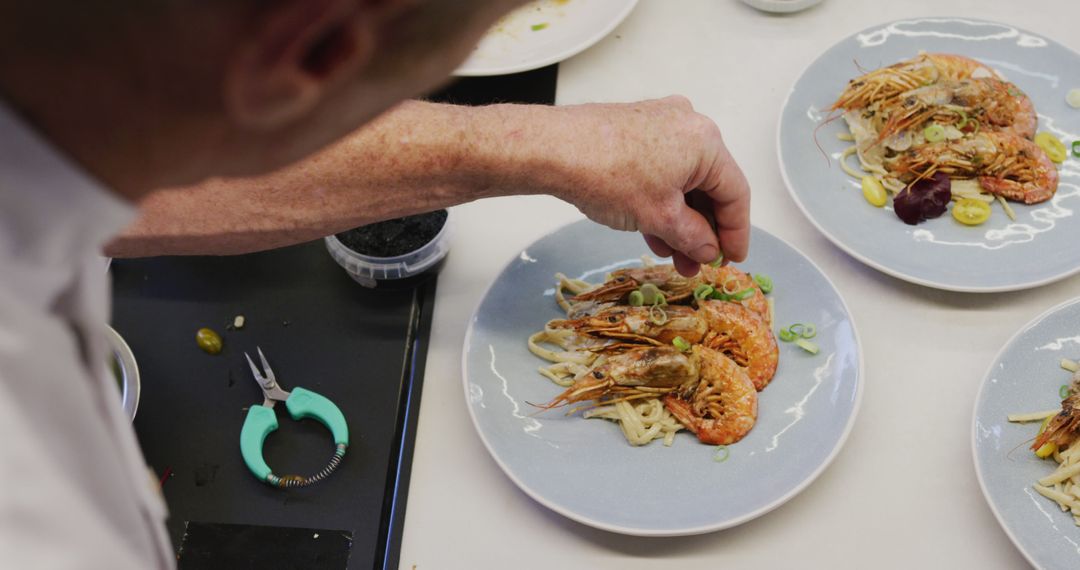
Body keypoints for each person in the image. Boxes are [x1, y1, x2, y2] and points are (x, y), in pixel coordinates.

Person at [0, 0, 750, 567]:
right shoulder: (39, 519)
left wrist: (551, 144)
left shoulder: (56, 108)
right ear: (312, 55)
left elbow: (140, 175)